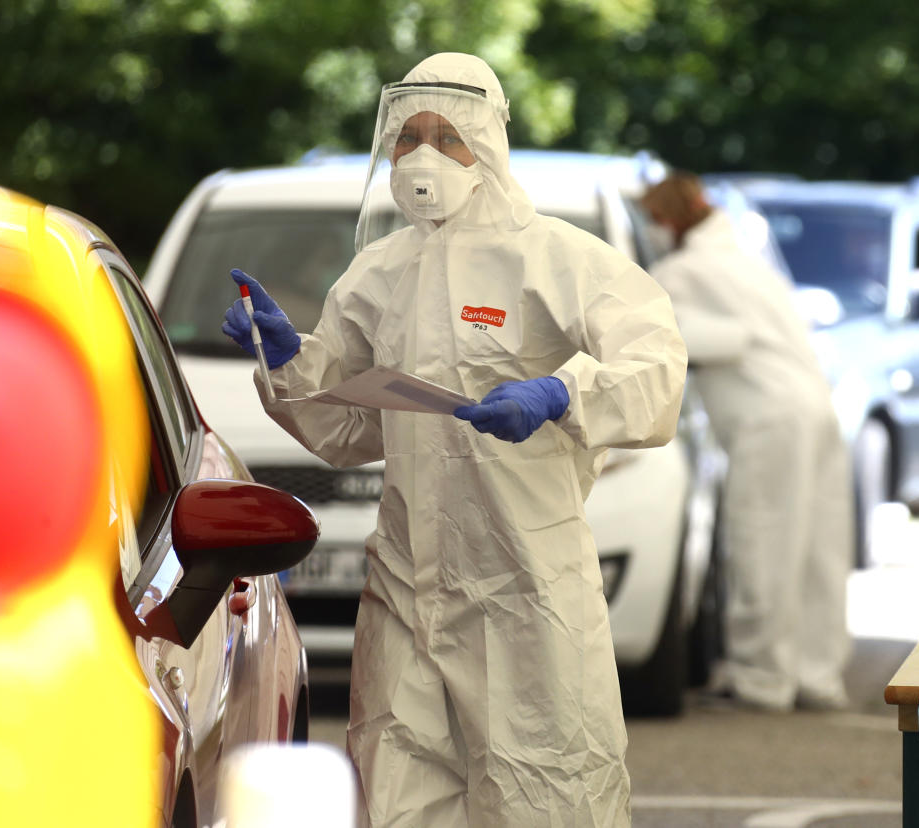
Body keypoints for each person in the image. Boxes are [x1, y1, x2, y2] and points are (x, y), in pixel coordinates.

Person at [221, 53, 686, 826]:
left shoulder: (560, 259)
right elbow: (343, 427)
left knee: (548, 792)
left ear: (488, 147)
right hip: (407, 589)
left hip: (526, 592)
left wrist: (562, 393)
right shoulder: (378, 273)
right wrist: (287, 358)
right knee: (397, 790)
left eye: (446, 136)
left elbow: (657, 368)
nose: (422, 155)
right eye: (407, 137)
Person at [641, 172, 853, 712]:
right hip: (815, 409)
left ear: (666, 221)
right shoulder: (746, 262)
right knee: (816, 552)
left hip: (768, 416)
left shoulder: (682, 272)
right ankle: (816, 675)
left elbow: (660, 334)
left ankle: (762, 681)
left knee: (764, 542)